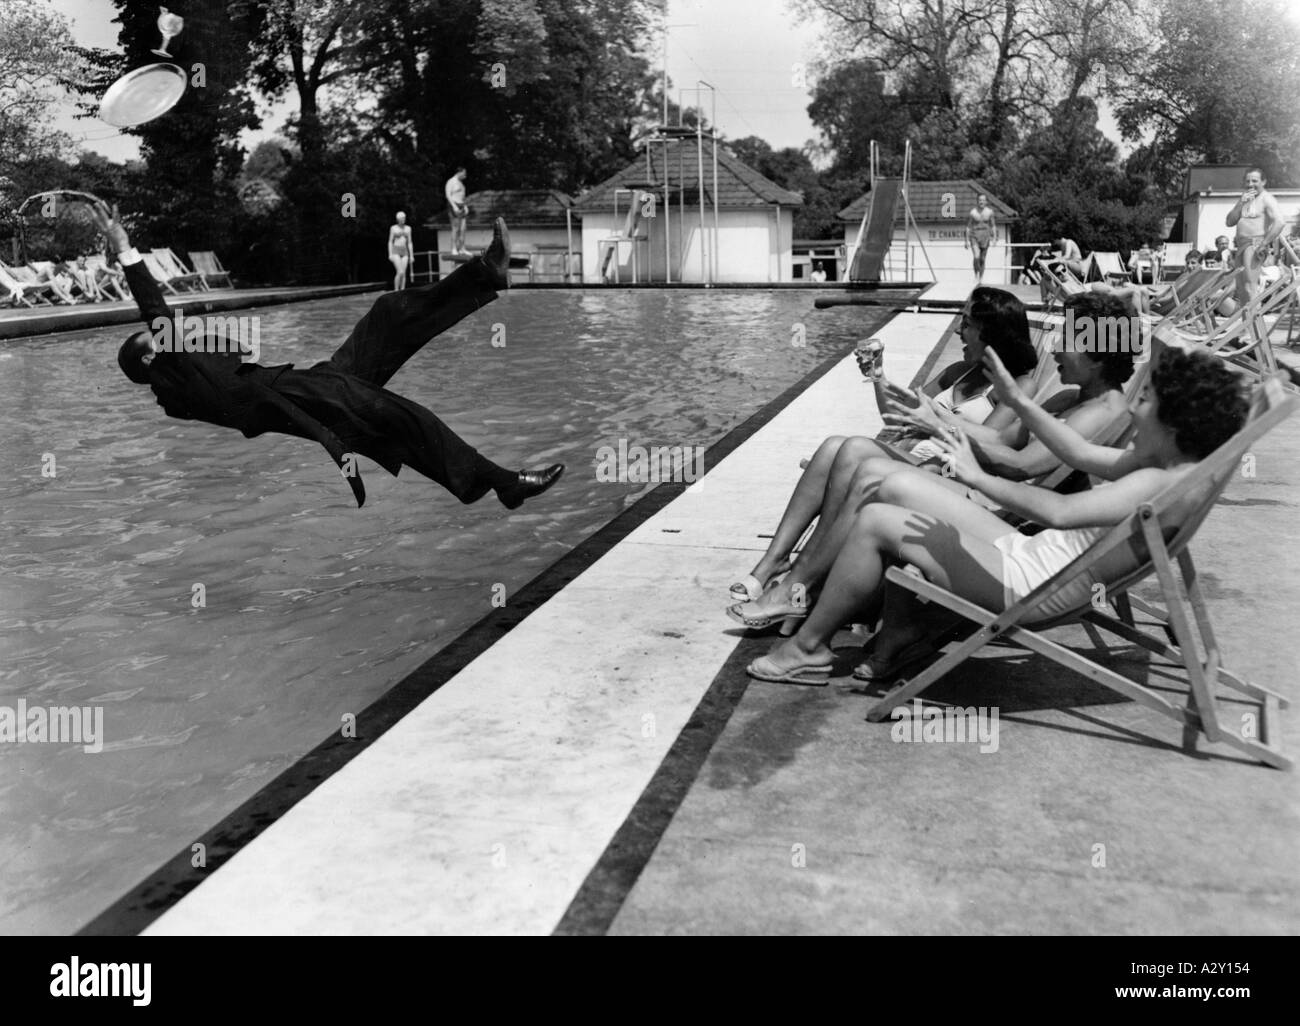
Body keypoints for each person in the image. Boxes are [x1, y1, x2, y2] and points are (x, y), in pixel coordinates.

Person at [744, 344, 1249, 685]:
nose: (1135, 409)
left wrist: (976, 476)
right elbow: (1076, 450)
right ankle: (822, 609)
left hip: (1032, 583)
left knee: (877, 519)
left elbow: (1059, 510)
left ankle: (809, 646)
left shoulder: (1158, 484)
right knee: (895, 483)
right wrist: (1015, 400)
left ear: (1177, 423)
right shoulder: (1170, 463)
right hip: (1034, 557)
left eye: (1149, 402)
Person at [92, 201, 564, 512]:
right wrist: (126, 250)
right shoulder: (170, 378)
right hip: (301, 396)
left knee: (387, 314)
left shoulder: (180, 377)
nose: (168, 337)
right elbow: (156, 311)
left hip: (307, 387)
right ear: (150, 361)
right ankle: (505, 482)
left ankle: (486, 275)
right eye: (156, 340)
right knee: (404, 418)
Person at [728, 293, 1136, 631]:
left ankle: (800, 587)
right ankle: (802, 585)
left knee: (861, 462)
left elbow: (1019, 465)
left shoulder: (1102, 411)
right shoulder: (1072, 400)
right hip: (987, 490)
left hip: (1002, 509)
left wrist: (941, 425)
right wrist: (937, 417)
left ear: (1098, 354)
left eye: (1069, 340)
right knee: (849, 451)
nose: (1057, 348)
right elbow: (996, 437)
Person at [1225, 168, 1281, 305]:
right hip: (1241, 245)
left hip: (1255, 244)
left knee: (1250, 287)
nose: (1250, 184)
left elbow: (1280, 222)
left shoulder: (1267, 199)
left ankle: (1254, 323)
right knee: (1241, 289)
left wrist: (1264, 243)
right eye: (1248, 181)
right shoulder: (1246, 198)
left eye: (1254, 181)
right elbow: (1229, 222)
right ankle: (1247, 325)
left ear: (1263, 182)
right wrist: (1240, 203)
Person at [1092, 249, 1203, 316]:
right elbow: (1171, 292)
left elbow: (1168, 296)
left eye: (1193, 263)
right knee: (1128, 286)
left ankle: (1138, 318)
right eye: (1188, 263)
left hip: (1161, 304)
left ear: (1200, 264)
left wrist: (1154, 297)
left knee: (1132, 289)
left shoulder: (1188, 279)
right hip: (1163, 300)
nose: (1189, 266)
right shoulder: (1194, 278)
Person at [966, 193, 997, 283]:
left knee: (982, 259)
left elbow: (993, 226)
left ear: (986, 202)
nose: (981, 202)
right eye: (980, 200)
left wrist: (994, 238)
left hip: (985, 237)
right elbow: (968, 227)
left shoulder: (990, 212)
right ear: (977, 201)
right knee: (976, 256)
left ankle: (981, 278)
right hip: (974, 236)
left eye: (983, 200)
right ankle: (976, 275)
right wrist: (966, 240)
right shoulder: (973, 212)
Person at [445, 167, 469, 255]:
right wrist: (454, 206)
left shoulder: (461, 183)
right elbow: (448, 195)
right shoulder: (451, 182)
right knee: (455, 228)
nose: (465, 176)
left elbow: (462, 197)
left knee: (463, 229)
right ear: (459, 172)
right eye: (464, 173)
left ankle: (462, 248)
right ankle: (454, 248)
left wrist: (465, 206)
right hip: (454, 205)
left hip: (461, 205)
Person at [387, 211, 413, 291]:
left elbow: (409, 242)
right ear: (398, 219)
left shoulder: (408, 228)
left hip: (404, 251)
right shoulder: (393, 228)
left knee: (404, 273)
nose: (403, 219)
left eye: (404, 217)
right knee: (400, 272)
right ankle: (396, 290)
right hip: (396, 250)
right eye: (402, 218)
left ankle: (402, 290)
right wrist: (390, 254)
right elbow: (390, 241)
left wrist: (411, 255)